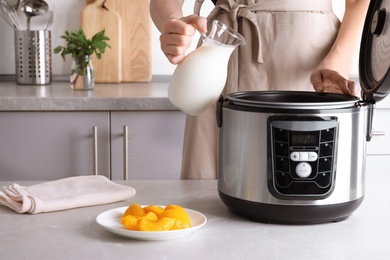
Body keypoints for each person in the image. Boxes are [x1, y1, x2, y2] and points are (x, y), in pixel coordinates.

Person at [150, 0, 370, 179]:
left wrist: (336, 63)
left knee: (303, 183)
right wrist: (172, 24)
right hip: (223, 46)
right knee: (207, 195)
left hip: (308, 56)